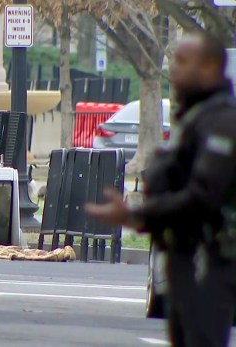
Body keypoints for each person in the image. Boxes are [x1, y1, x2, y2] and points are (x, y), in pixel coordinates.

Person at [85, 31, 236, 347]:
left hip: (207, 257)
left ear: (209, 67)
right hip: (184, 255)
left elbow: (203, 196)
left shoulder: (221, 122)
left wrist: (136, 214)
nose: (174, 70)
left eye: (182, 61)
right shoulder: (197, 117)